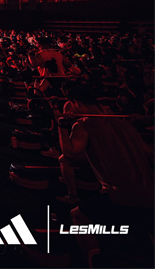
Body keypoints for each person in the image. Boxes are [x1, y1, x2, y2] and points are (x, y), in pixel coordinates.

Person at [57, 85, 154, 261]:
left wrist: (62, 126)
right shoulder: (123, 123)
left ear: (75, 103)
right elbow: (148, 152)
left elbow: (70, 152)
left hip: (122, 195)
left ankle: (95, 262)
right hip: (149, 190)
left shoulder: (83, 125)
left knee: (77, 216)